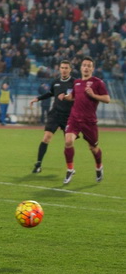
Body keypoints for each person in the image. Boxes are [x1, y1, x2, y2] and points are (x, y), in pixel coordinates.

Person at [61, 57, 110, 185]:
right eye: (84, 65)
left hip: (89, 121)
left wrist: (94, 96)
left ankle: (99, 166)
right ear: (81, 67)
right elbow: (73, 97)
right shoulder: (76, 82)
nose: (86, 67)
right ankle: (70, 169)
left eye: (89, 65)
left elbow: (107, 99)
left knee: (93, 148)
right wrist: (65, 97)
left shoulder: (98, 82)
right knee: (68, 141)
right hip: (74, 118)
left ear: (92, 68)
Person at [28, 60, 74, 174]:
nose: (64, 70)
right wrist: (37, 99)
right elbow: (50, 93)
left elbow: (79, 98)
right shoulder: (56, 82)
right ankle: (38, 164)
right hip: (55, 114)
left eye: (66, 68)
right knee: (46, 138)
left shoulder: (75, 83)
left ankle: (70, 168)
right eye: (62, 67)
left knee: (68, 143)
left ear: (70, 69)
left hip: (68, 116)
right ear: (59, 69)